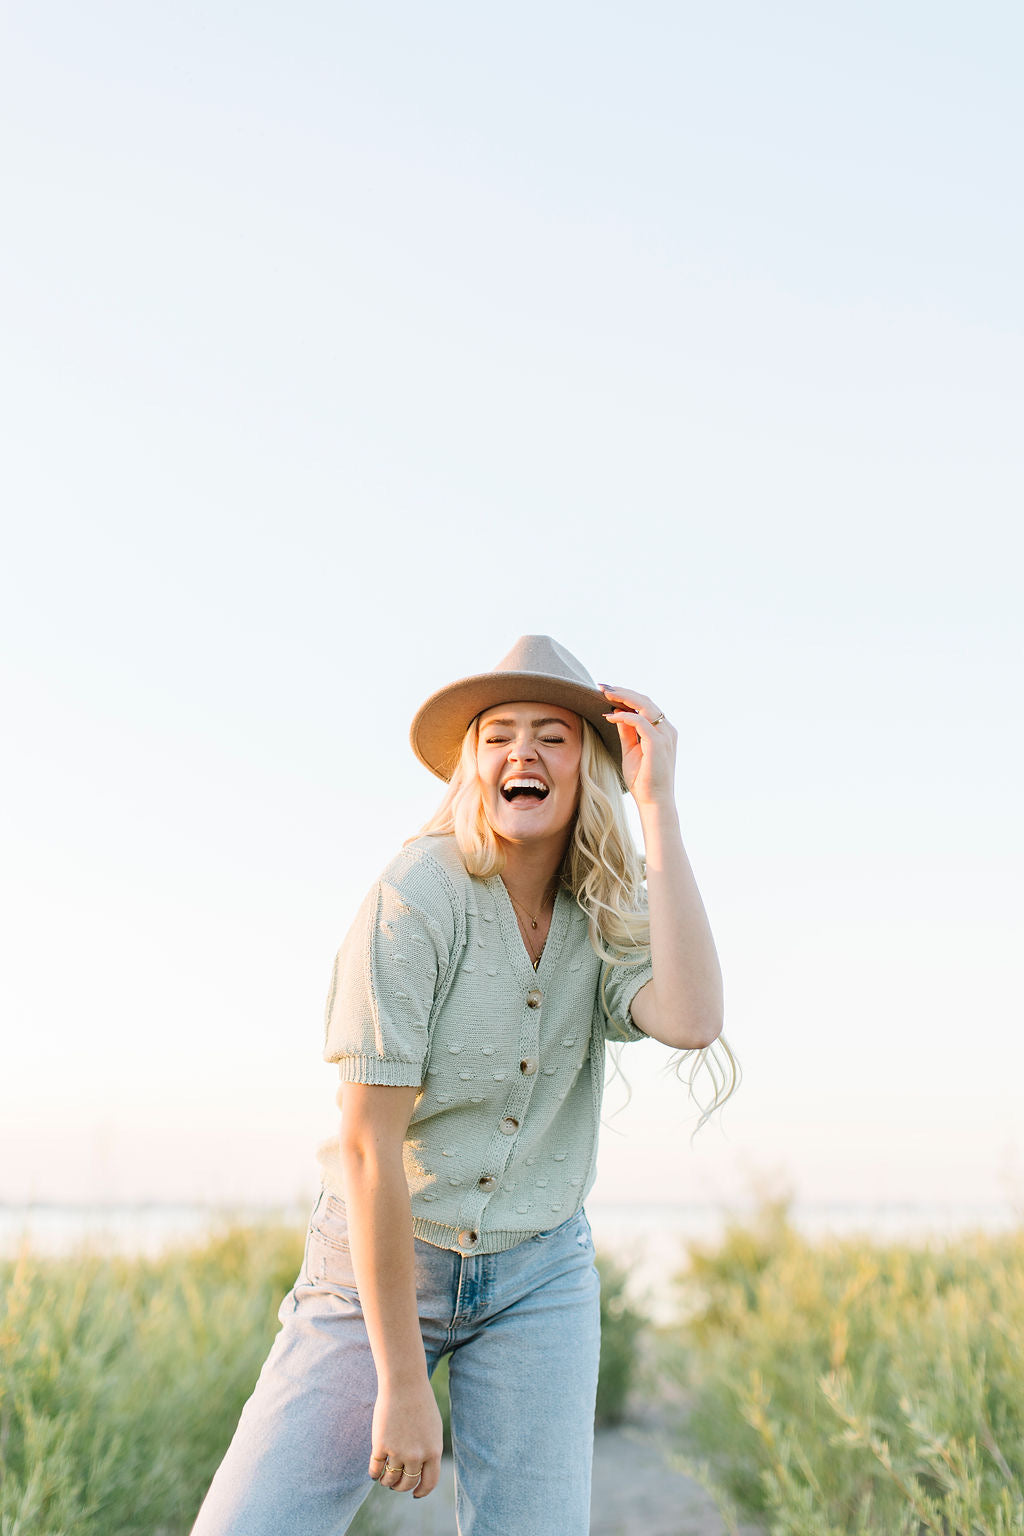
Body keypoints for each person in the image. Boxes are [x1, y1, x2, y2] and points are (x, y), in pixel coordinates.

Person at [190, 634, 735, 1536]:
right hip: (375, 1273)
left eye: (553, 735)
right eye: (500, 735)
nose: (524, 752)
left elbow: (693, 1017)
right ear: (474, 768)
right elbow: (368, 1150)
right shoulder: (416, 896)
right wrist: (403, 1383)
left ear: (588, 768)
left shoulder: (602, 908)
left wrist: (659, 807)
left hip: (539, 1278)